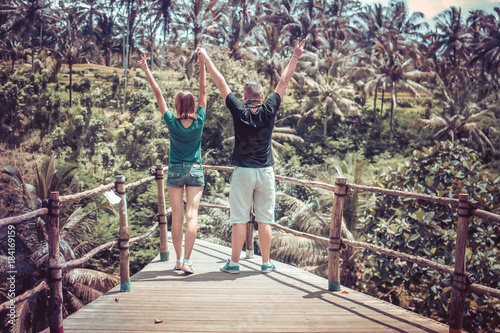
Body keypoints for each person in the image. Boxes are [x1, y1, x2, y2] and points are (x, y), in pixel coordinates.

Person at [197, 38, 305, 274]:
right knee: (265, 220)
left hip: (243, 172)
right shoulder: (270, 108)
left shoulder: (239, 109)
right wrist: (295, 55)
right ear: (262, 95)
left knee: (239, 219)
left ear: (245, 96)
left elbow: (221, 82)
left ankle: (234, 263)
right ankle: (266, 263)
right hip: (266, 172)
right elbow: (285, 80)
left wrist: (205, 59)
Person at [138, 51, 206, 274]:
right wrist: (203, 64)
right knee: (191, 216)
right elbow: (203, 91)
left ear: (176, 105)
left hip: (175, 170)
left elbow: (158, 93)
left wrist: (147, 70)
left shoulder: (171, 122)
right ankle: (187, 260)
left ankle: (178, 260)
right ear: (193, 104)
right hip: (195, 170)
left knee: (176, 217)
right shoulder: (200, 121)